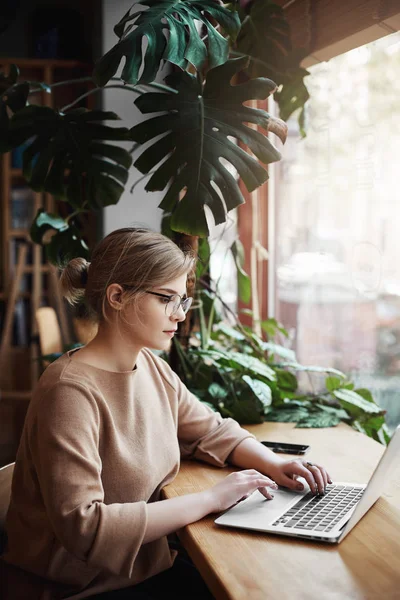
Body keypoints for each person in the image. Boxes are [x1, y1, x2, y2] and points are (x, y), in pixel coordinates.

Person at [2, 228, 331, 600]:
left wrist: (273, 463)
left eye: (183, 301)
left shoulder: (152, 367)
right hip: (79, 589)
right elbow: (85, 527)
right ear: (117, 297)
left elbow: (211, 430)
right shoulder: (69, 392)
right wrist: (210, 499)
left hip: (146, 569)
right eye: (166, 299)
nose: (179, 314)